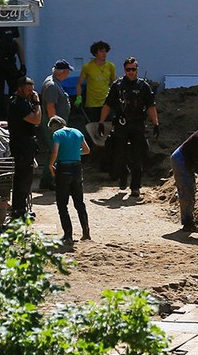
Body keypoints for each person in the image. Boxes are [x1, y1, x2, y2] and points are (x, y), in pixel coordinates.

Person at [98, 57, 159, 197]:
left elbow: (150, 106)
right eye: (128, 69)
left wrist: (156, 124)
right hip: (121, 124)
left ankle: (135, 186)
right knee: (119, 154)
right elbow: (107, 104)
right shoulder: (117, 85)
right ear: (124, 70)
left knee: (137, 156)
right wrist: (101, 122)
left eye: (133, 69)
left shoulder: (143, 86)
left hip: (137, 124)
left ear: (137, 69)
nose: (131, 72)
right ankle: (123, 176)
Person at [47, 115, 91, 245]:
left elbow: (55, 152)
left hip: (63, 169)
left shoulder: (57, 134)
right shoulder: (77, 132)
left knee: (62, 204)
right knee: (79, 202)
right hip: (77, 169)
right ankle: (86, 231)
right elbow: (87, 150)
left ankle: (68, 235)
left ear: (54, 126)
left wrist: (51, 165)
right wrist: (75, 153)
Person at [6, 76, 42, 220]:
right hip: (21, 145)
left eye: (32, 90)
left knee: (25, 178)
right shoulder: (18, 104)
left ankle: (21, 209)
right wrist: (38, 103)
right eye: (28, 90)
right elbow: (36, 120)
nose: (31, 93)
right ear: (20, 89)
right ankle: (19, 211)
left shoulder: (23, 102)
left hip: (25, 144)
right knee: (22, 178)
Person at [39, 60, 74, 190]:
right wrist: (57, 129)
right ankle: (52, 180)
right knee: (56, 152)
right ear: (64, 72)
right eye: (67, 71)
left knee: (53, 152)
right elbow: (50, 108)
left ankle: (47, 180)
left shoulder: (54, 83)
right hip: (54, 127)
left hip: (56, 126)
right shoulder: (52, 85)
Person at [76, 40, 116, 130]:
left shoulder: (110, 66)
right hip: (92, 103)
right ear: (95, 53)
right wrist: (79, 97)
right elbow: (79, 84)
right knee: (93, 127)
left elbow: (114, 83)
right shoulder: (87, 67)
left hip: (106, 102)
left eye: (105, 51)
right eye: (101, 51)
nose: (104, 54)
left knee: (107, 127)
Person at [0, 28, 25, 120]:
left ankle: (14, 113)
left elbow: (19, 44)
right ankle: (0, 116)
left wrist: (23, 64)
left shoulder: (12, 25)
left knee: (15, 88)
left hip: (10, 61)